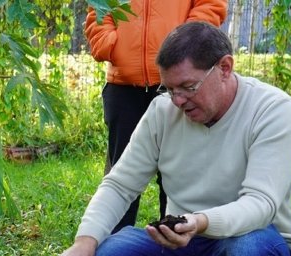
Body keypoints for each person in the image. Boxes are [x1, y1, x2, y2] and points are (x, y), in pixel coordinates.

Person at [57, 21, 291, 256]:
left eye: (188, 87)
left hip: (250, 239)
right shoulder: (162, 111)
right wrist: (85, 241)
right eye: (170, 89)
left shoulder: (272, 109)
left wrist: (201, 221)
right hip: (183, 245)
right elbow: (120, 184)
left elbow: (261, 205)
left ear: (225, 68)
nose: (178, 101)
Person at [85, 0, 227, 232]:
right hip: (123, 84)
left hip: (178, 79)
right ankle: (113, 244)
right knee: (122, 170)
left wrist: (184, 44)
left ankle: (178, 239)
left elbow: (210, 5)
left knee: (179, 171)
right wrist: (109, 44)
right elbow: (99, 6)